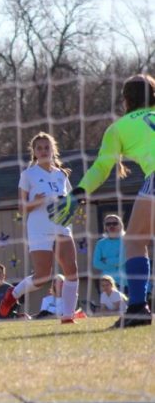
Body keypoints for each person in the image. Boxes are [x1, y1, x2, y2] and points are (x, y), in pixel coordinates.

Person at [50, 74, 155, 328]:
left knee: (134, 240)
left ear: (126, 99)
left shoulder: (118, 128)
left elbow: (101, 167)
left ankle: (138, 308)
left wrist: (79, 192)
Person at [0, 132, 81, 324]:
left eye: (47, 147)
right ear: (34, 152)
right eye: (39, 148)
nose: (43, 151)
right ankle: (14, 293)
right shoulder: (28, 175)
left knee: (72, 270)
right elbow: (21, 207)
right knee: (43, 276)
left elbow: (71, 200)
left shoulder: (61, 175)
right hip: (38, 228)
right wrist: (34, 202)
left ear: (53, 150)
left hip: (61, 227)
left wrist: (71, 205)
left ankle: (67, 316)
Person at [92, 214, 126, 294]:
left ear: (120, 225)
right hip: (107, 284)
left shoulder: (127, 241)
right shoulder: (100, 243)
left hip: (125, 282)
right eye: (108, 224)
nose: (111, 226)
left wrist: (106, 260)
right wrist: (116, 262)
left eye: (114, 223)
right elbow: (96, 263)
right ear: (105, 227)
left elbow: (124, 259)